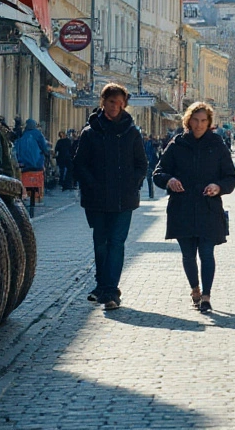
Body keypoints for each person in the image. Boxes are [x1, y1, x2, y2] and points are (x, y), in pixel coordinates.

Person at [154, 102, 235, 313]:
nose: (199, 125)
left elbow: (230, 177)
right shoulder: (177, 144)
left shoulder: (217, 145)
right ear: (188, 121)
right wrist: (169, 180)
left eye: (203, 121)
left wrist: (218, 187)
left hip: (208, 207)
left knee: (207, 253)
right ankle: (195, 289)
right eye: (195, 120)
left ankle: (207, 296)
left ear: (209, 123)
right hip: (181, 208)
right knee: (188, 255)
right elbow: (158, 173)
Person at [73, 83, 147, 311]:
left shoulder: (132, 132)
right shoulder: (91, 132)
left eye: (119, 102)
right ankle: (102, 286)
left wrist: (131, 185)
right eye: (111, 101)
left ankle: (110, 290)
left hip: (124, 199)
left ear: (125, 105)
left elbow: (141, 164)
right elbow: (79, 164)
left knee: (116, 243)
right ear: (103, 102)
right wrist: (92, 185)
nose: (115, 106)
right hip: (97, 199)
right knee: (100, 243)